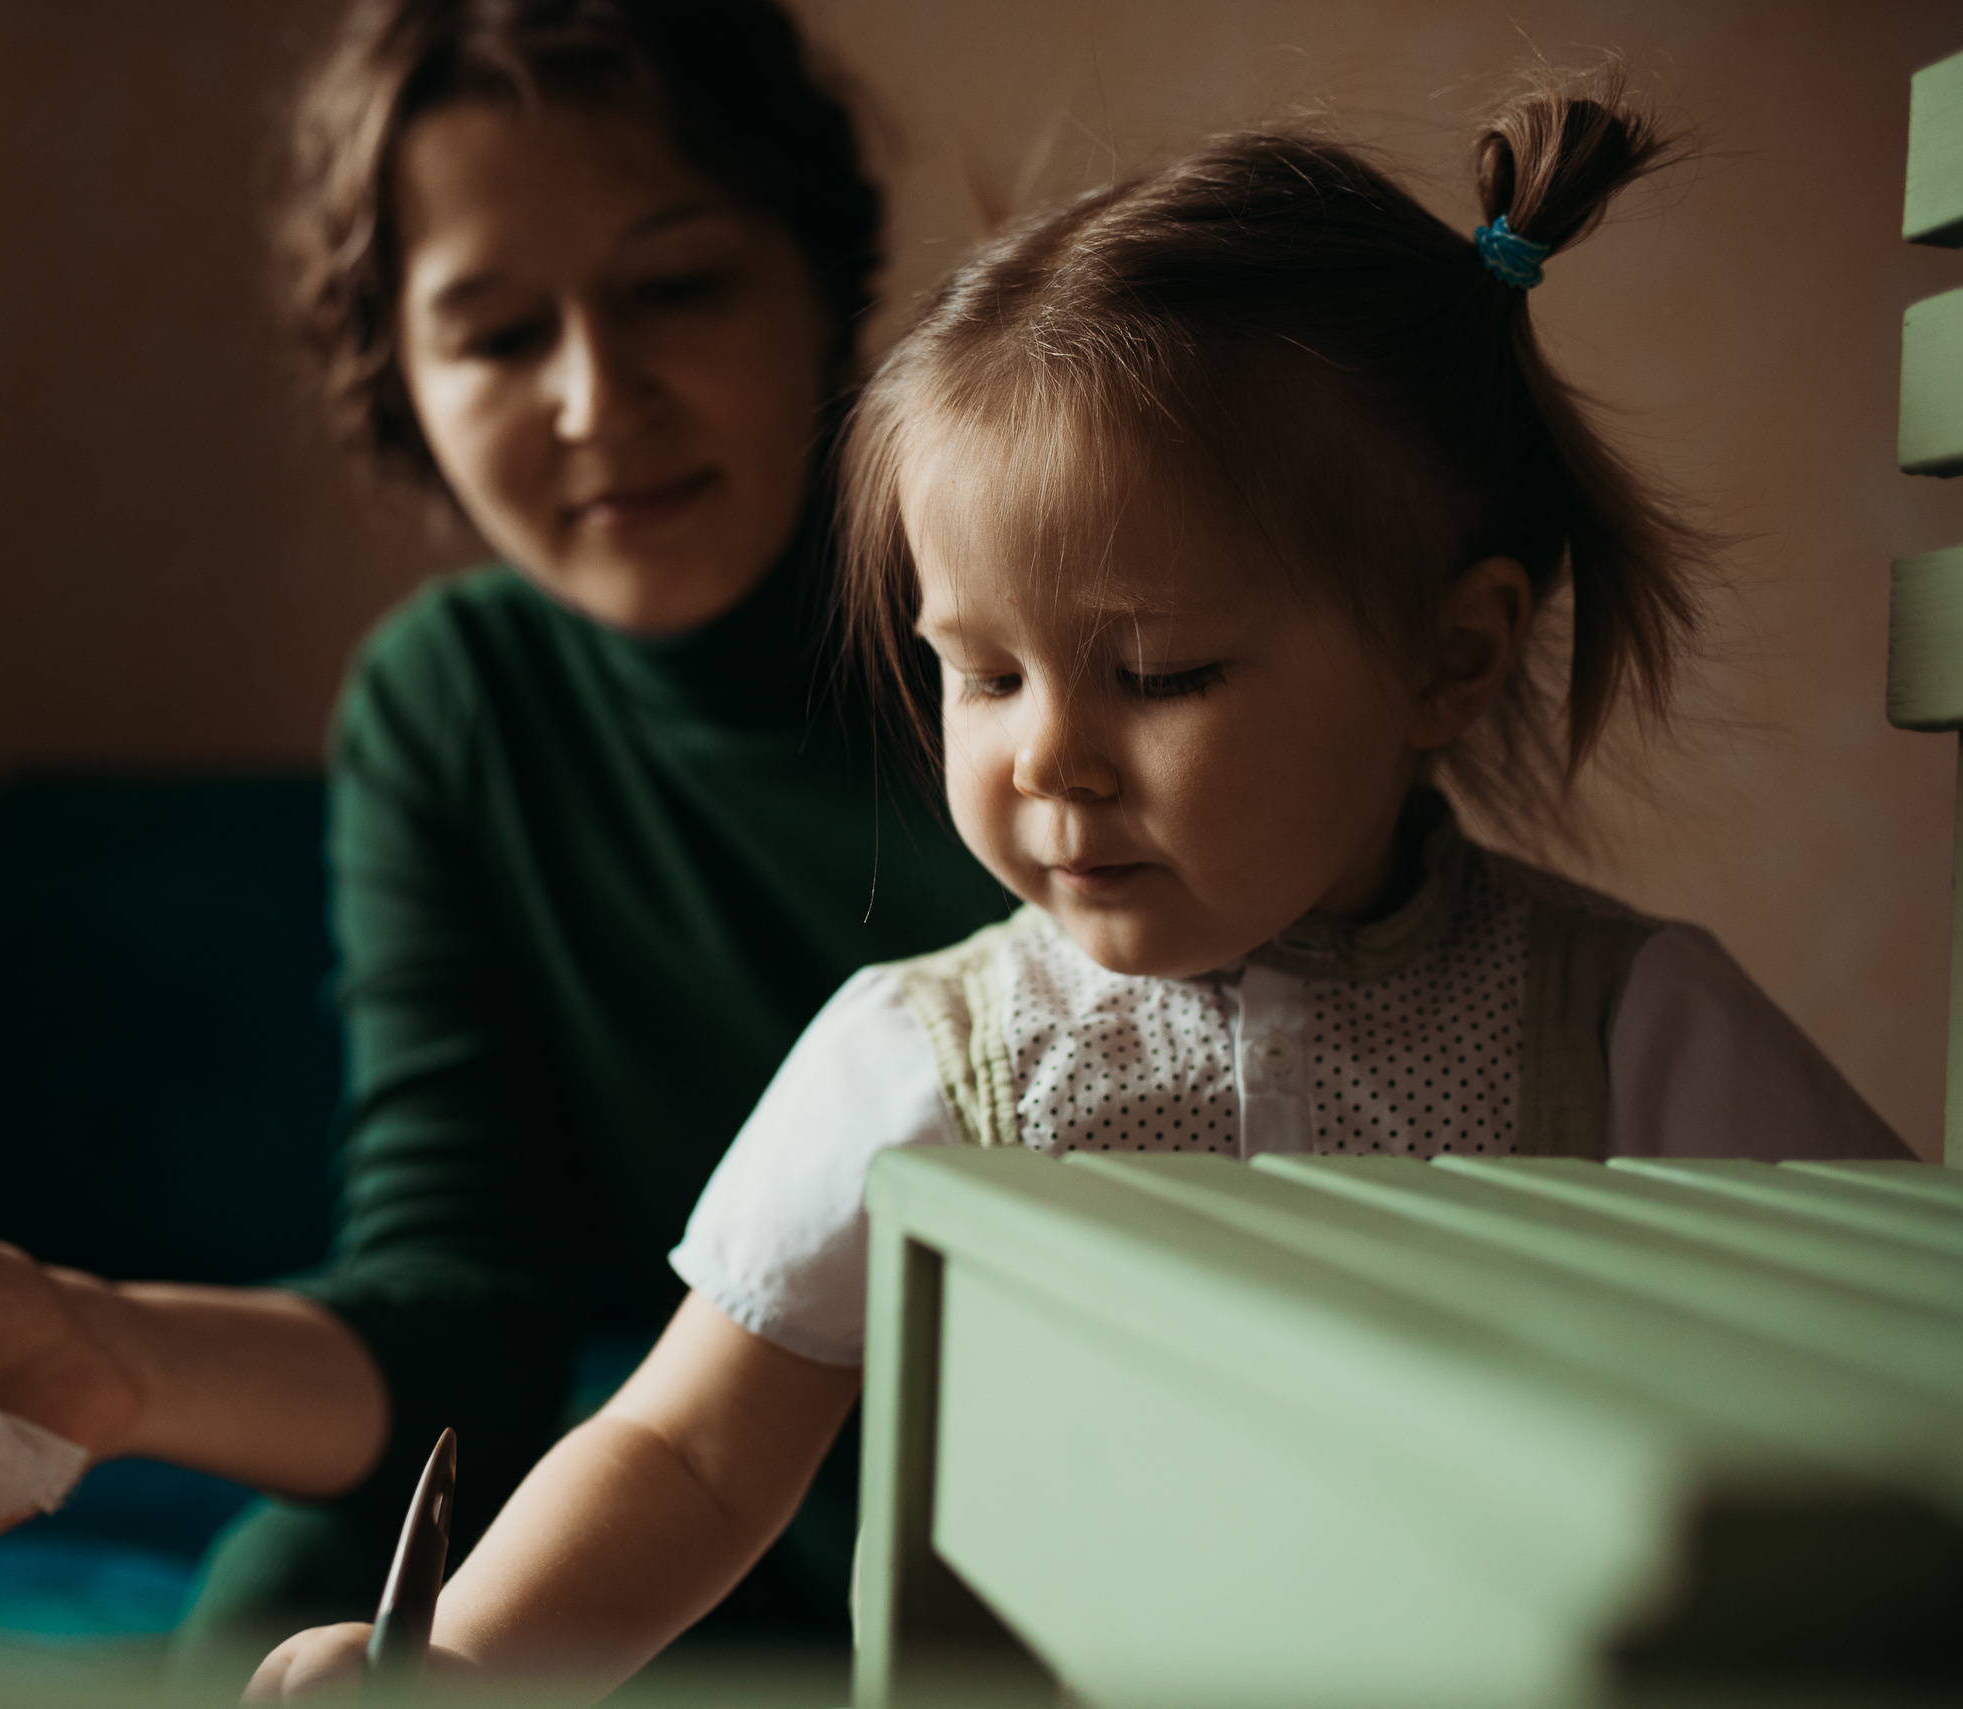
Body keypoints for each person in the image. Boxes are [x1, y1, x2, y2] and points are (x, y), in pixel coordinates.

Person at [244, 72, 1912, 1702]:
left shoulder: (1624, 1028)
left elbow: (1907, 1341)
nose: (1049, 759)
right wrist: (462, 1660)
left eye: (1161, 673)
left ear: (1448, 655)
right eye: (979, 675)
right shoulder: (922, 1055)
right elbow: (686, 1451)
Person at [0, 0, 1012, 1641]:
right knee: (288, 1596)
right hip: (687, 1508)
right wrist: (100, 1348)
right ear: (401, 382)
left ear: (819, 278)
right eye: (497, 333)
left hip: (1065, 1480)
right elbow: (464, 1314)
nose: (594, 395)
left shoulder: (1031, 623)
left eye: (677, 287)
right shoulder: (451, 705)